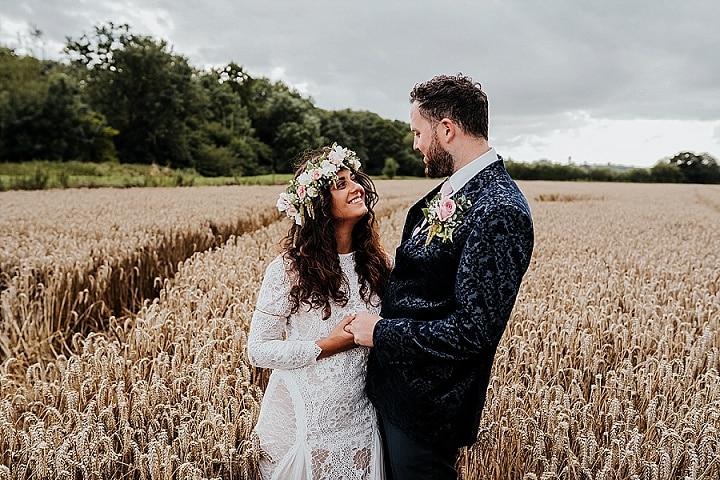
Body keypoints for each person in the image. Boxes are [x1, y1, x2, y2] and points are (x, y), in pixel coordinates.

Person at [348, 74, 535, 479]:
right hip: (397, 392)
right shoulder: (460, 188)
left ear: (446, 129)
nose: (415, 144)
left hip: (428, 408)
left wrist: (380, 333)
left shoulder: (499, 209)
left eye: (418, 132)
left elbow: (473, 330)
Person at [247, 143, 393, 480]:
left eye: (354, 179)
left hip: (360, 420)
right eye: (341, 184)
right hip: (304, 422)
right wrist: (327, 345)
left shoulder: (378, 265)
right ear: (319, 206)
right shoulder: (288, 269)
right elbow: (258, 349)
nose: (356, 187)